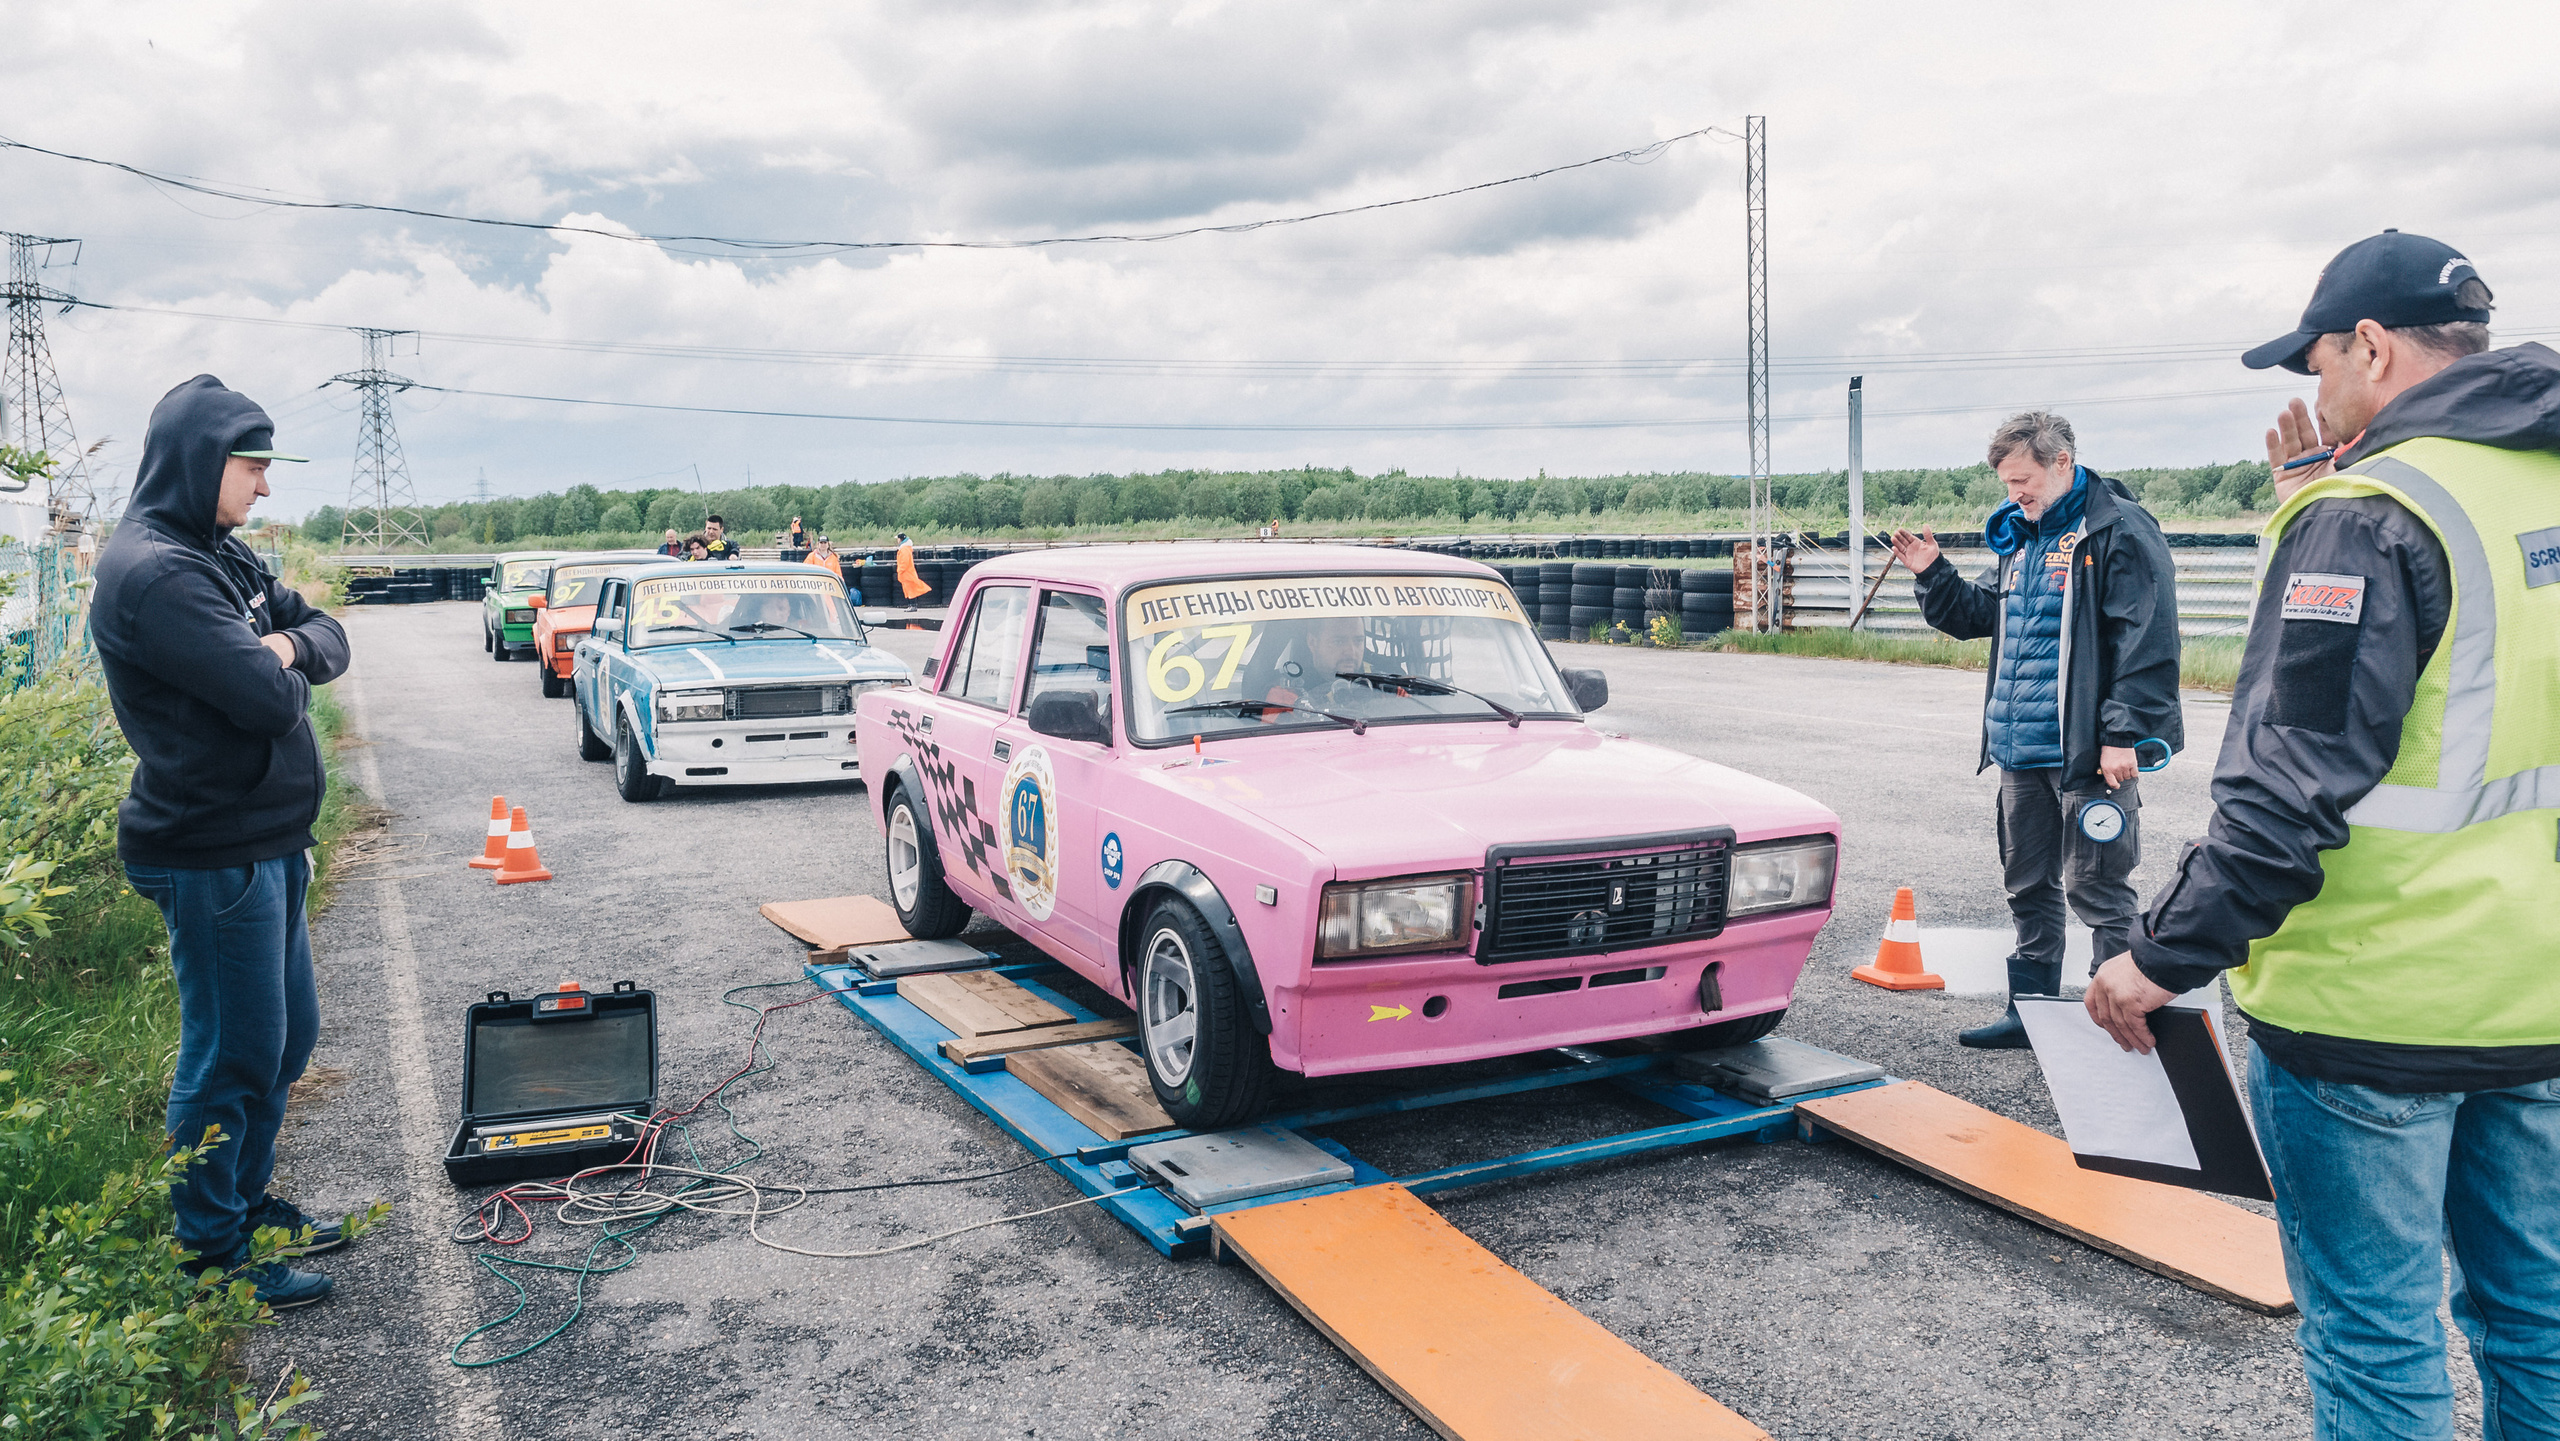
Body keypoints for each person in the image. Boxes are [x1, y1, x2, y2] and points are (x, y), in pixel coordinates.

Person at [2087, 232, 2560, 1438]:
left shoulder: (2376, 513)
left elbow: (2287, 792)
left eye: (2317, 364)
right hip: (2538, 999)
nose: (2312, 396)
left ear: (2373, 345)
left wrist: (2159, 953)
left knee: (2374, 1338)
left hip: (2373, 1012)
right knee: (2536, 1321)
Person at [88, 376, 354, 1311]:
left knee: (285, 1041)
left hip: (265, 838)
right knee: (232, 1051)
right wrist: (283, 654)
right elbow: (273, 695)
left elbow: (329, 634)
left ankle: (244, 1202)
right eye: (254, 467)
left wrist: (284, 642)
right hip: (211, 849)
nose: (266, 489)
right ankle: (211, 1251)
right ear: (203, 460)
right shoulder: (157, 573)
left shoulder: (219, 556)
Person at [1888, 411, 2182, 1048]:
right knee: (2026, 884)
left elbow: (2147, 639)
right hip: (2019, 748)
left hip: (2085, 755)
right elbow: (1978, 617)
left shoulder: (2116, 531)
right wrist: (1933, 574)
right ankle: (2032, 1014)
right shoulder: (2019, 538)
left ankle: (2121, 1014)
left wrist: (2123, 732)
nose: (2014, 493)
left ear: (2063, 463)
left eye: (2024, 480)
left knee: (2098, 888)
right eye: (2007, 484)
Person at [894, 532, 928, 609]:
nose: (897, 540)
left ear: (900, 539)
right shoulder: (904, 548)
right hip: (906, 573)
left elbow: (904, 562)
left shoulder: (904, 549)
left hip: (906, 573)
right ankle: (911, 605)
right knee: (908, 590)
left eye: (898, 539)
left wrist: (900, 570)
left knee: (911, 590)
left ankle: (913, 605)